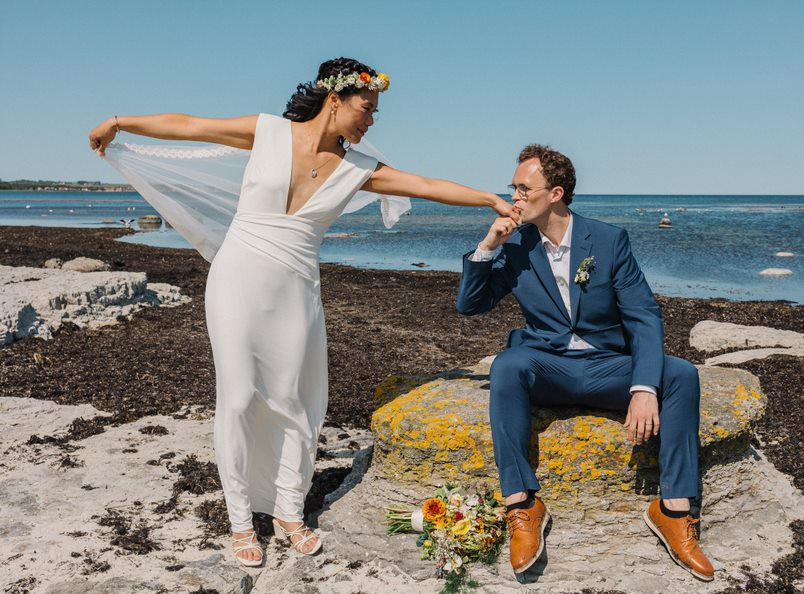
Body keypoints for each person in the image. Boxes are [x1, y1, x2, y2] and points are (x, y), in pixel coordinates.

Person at [89, 57, 519, 568]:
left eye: (376, 113)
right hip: (236, 279)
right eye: (367, 107)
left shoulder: (360, 169)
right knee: (240, 396)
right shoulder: (267, 133)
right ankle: (241, 519)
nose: (371, 120)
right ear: (335, 99)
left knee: (294, 400)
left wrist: (487, 199)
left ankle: (290, 510)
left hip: (296, 289)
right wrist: (119, 121)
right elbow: (190, 126)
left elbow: (424, 185)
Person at [455, 144, 714, 581]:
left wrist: (644, 388)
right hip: (549, 366)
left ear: (555, 193)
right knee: (507, 366)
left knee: (682, 375)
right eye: (513, 188)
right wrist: (487, 245)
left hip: (607, 365)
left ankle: (673, 509)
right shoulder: (516, 245)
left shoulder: (608, 240)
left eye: (524, 188)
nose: (514, 197)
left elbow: (644, 315)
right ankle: (522, 505)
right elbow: (470, 305)